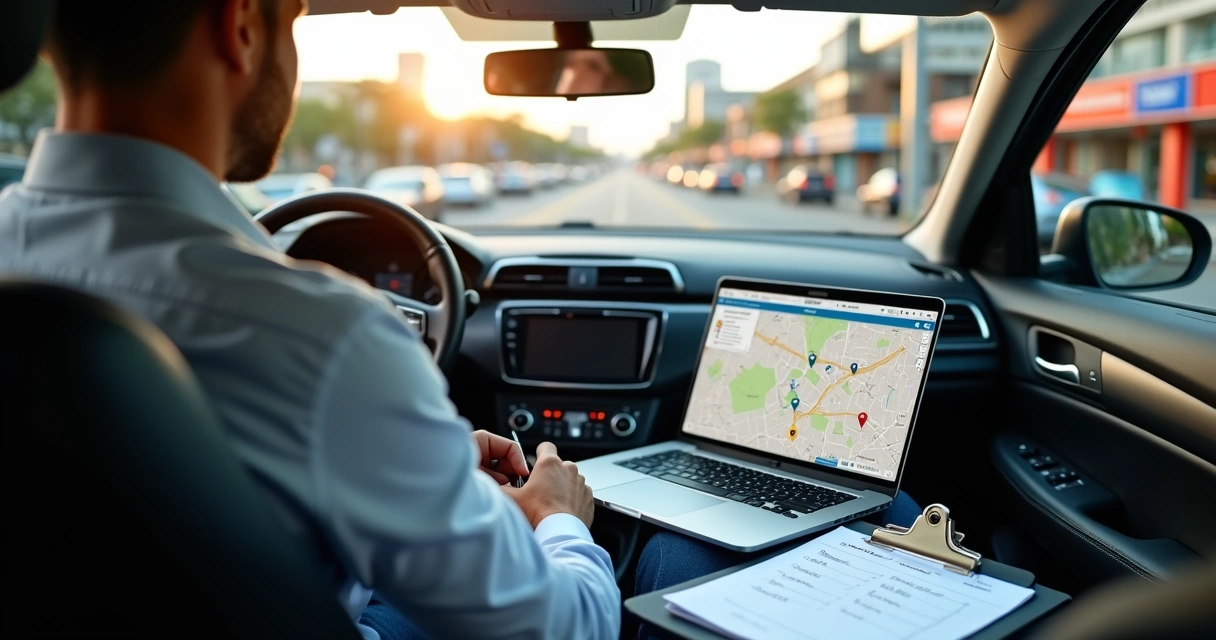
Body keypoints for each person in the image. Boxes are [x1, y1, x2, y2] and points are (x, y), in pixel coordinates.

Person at [0, 1, 617, 639]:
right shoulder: (327, 338)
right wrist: (556, 517)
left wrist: (415, 462)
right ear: (239, 27)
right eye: (292, 19)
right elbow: (563, 628)